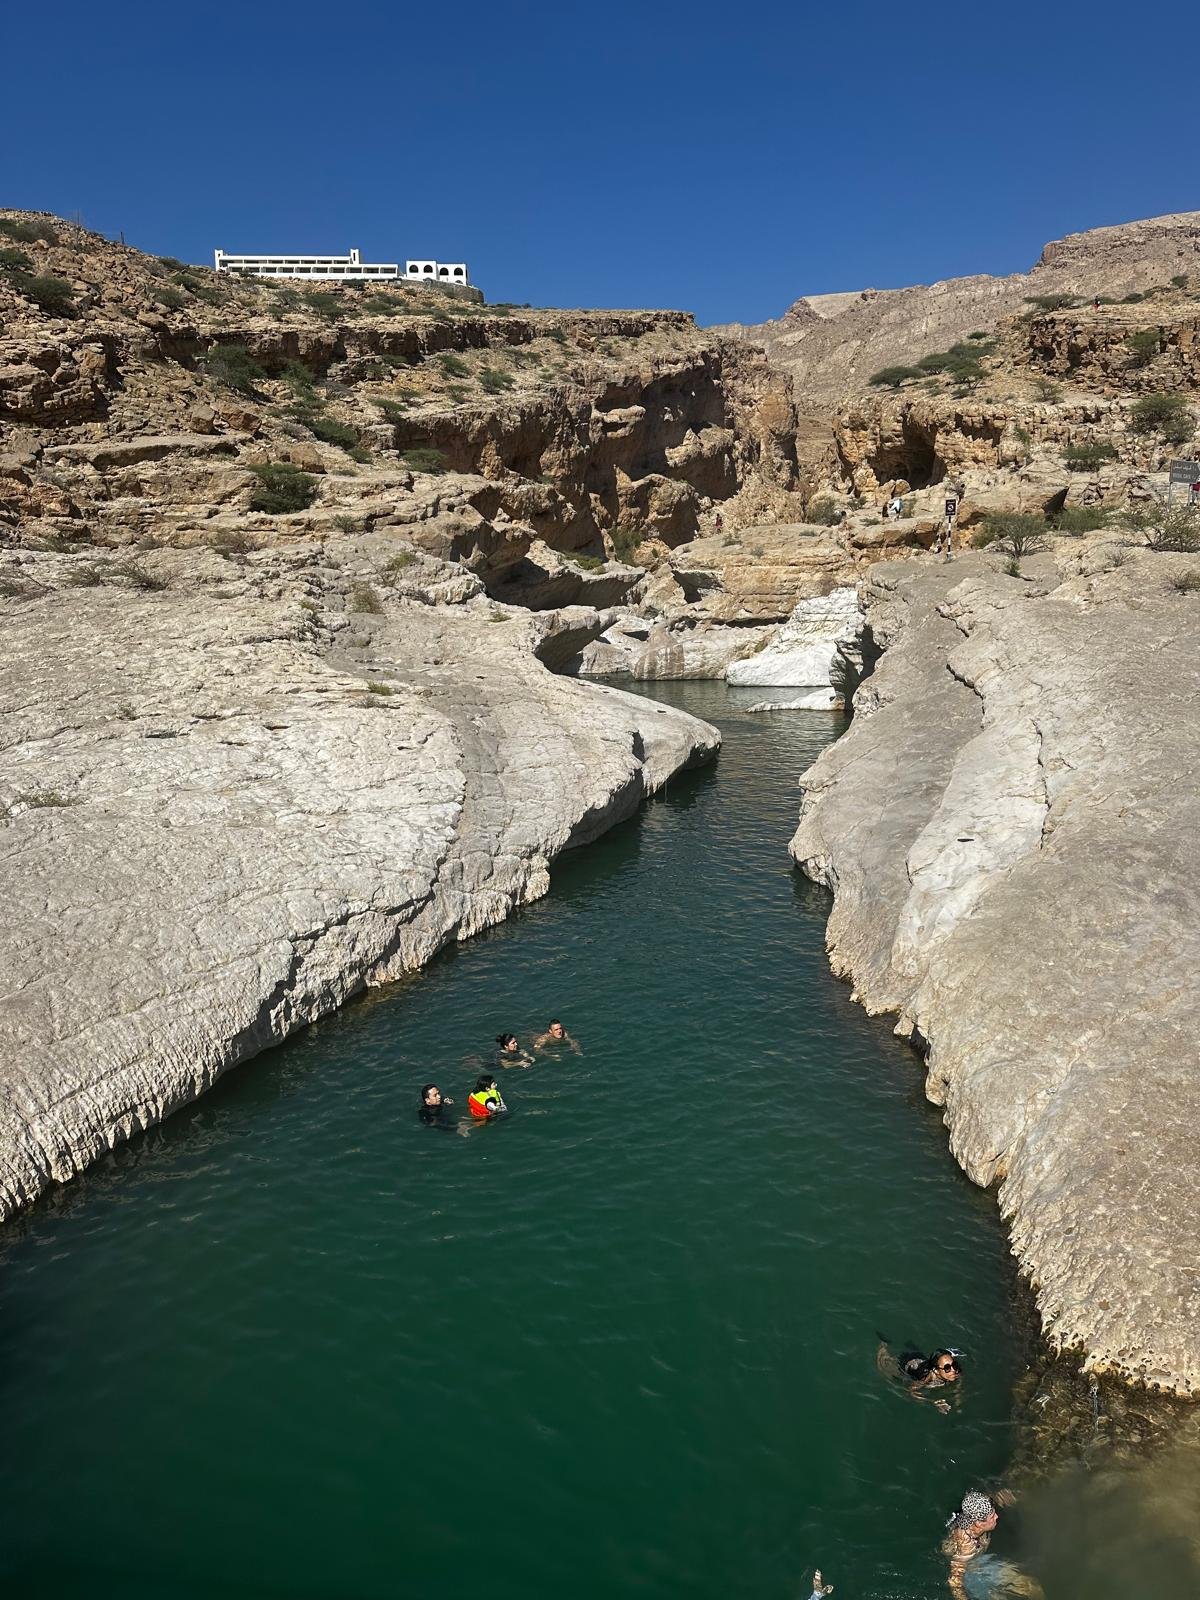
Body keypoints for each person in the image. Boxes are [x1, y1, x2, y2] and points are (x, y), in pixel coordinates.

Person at [876, 1339, 963, 1413]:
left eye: (954, 1365)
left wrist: (957, 1398)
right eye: (947, 1368)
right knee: (884, 1365)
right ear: (936, 1370)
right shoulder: (926, 1377)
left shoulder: (956, 1371)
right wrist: (933, 1402)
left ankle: (910, 1346)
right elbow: (912, 1392)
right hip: (907, 1362)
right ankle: (883, 1343)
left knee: (916, 1351)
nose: (953, 1370)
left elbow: (959, 1380)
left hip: (921, 1358)